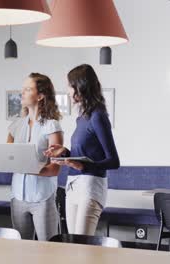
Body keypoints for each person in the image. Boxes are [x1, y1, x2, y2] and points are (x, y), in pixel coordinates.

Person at [44, 64, 120, 235]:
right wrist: (65, 153)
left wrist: (83, 166)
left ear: (81, 87)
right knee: (74, 244)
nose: (68, 90)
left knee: (83, 246)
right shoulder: (82, 118)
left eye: (70, 86)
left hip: (91, 188)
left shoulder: (98, 116)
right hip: (73, 186)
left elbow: (114, 161)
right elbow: (84, 156)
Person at [7, 73, 63, 241]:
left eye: (28, 89)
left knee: (49, 250)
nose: (22, 93)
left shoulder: (52, 126)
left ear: (40, 96)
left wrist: (28, 168)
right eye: (22, 89)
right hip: (17, 197)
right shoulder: (15, 126)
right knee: (22, 253)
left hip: (42, 198)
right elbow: (8, 158)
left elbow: (55, 168)